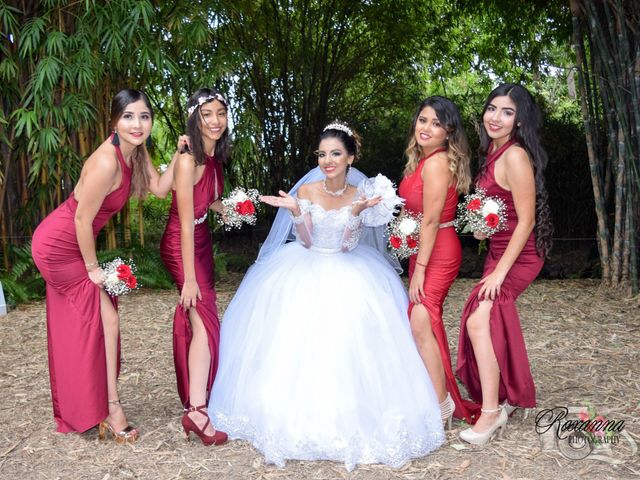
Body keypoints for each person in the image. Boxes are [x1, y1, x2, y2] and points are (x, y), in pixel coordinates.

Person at [208, 122, 444, 471]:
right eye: (322, 154)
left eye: (335, 154)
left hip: (350, 269)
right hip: (306, 265)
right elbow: (304, 240)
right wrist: (295, 211)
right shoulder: (306, 190)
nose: (327, 160)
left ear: (350, 157)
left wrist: (356, 214)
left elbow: (349, 245)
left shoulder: (359, 194)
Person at [31, 89, 176, 441]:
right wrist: (94, 268)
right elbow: (82, 220)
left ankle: (92, 404)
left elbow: (159, 189)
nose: (137, 124)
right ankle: (110, 409)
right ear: (114, 120)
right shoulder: (107, 161)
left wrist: (182, 155)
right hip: (59, 246)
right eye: (128, 116)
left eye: (144, 116)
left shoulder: (136, 154)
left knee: (91, 324)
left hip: (74, 244)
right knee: (105, 319)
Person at [456, 83, 553, 445]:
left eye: (507, 112)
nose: (496, 117)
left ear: (520, 120)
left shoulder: (514, 155)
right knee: (482, 320)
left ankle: (492, 413)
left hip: (521, 254)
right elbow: (496, 214)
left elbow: (525, 221)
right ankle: (501, 399)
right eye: (492, 109)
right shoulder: (491, 153)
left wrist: (499, 272)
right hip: (498, 249)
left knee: (480, 320)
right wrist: (481, 227)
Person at [398, 96, 479, 427]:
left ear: (449, 132)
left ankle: (441, 403)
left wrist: (418, 270)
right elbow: (413, 211)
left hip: (439, 248)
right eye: (422, 120)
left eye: (436, 123)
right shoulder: (422, 160)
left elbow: (431, 220)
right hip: (425, 247)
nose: (426, 127)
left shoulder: (435, 163)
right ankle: (438, 395)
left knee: (421, 318)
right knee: (424, 322)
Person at [160, 88, 229, 446]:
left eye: (221, 113)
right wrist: (188, 279)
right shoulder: (189, 161)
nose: (215, 121)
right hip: (180, 244)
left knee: (204, 319)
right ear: (195, 118)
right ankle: (197, 412)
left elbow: (209, 201)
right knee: (204, 321)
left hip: (200, 242)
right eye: (207, 114)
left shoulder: (213, 157)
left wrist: (233, 209)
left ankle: (197, 400)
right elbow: (184, 221)